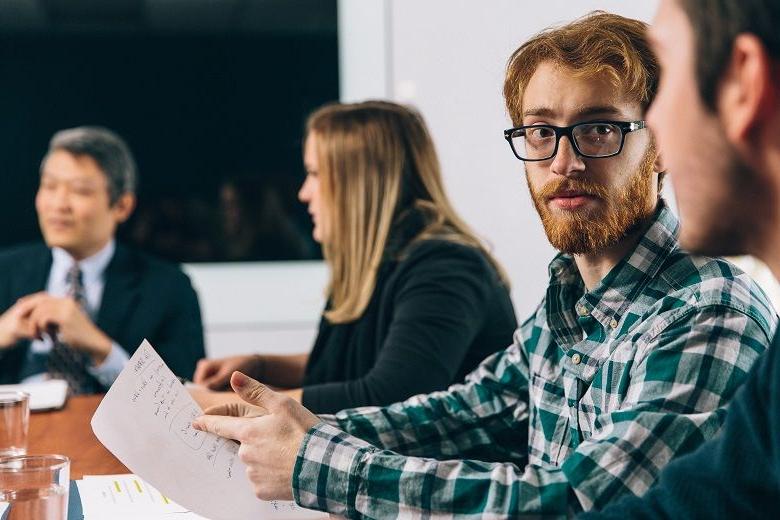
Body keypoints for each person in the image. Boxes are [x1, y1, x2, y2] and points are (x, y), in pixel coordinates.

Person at [191, 12, 778, 516]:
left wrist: (318, 461)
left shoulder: (709, 309)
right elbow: (463, 413)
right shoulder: (567, 300)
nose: (564, 162)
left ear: (660, 147)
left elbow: (589, 504)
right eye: (541, 132)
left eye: (598, 129)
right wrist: (295, 431)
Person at [580, 1, 780, 517]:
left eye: (665, 80)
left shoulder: (717, 306)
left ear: (743, 83)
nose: (653, 126)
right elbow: (688, 506)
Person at [193, 101, 517, 413]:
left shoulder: (446, 270)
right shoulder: (383, 261)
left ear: (358, 184)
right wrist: (262, 365)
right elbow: (367, 362)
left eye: (314, 173)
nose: (303, 193)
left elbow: (387, 396)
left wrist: (217, 403)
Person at [0, 126, 205, 392]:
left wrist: (101, 349)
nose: (58, 204)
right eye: (49, 186)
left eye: (80, 191)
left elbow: (187, 397)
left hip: (112, 432)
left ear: (122, 206)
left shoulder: (169, 287)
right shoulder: (5, 271)